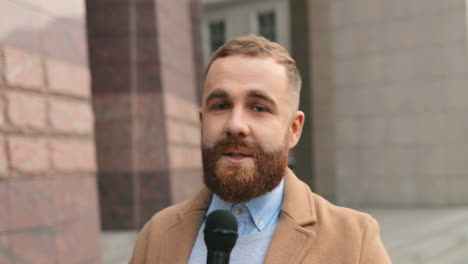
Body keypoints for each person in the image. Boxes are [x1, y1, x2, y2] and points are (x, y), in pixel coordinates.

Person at [129, 35, 392, 264]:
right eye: (221, 105)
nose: (235, 125)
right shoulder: (157, 235)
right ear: (202, 121)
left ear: (293, 129)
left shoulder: (353, 240)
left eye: (258, 108)